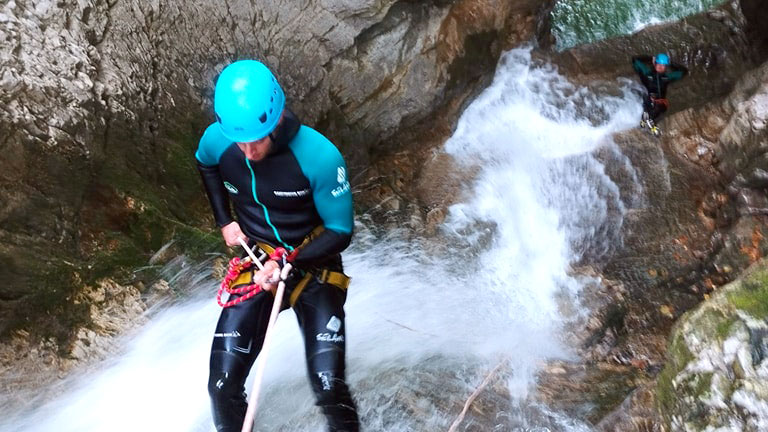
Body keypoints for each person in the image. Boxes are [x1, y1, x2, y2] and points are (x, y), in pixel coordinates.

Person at [195, 60, 359, 432]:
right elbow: (205, 163)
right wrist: (225, 220)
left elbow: (340, 230)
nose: (249, 151)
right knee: (221, 386)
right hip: (258, 260)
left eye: (258, 138)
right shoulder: (219, 140)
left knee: (329, 387)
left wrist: (290, 259)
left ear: (277, 118)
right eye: (241, 141)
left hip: (315, 265)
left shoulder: (319, 156)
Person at [632, 53, 688, 132]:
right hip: (647, 99)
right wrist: (650, 58)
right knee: (646, 97)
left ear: (665, 67)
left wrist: (671, 63)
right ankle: (647, 117)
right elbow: (635, 59)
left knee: (661, 106)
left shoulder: (666, 78)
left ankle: (649, 118)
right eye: (659, 64)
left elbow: (683, 71)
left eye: (663, 65)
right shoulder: (646, 73)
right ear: (655, 64)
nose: (661, 67)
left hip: (659, 103)